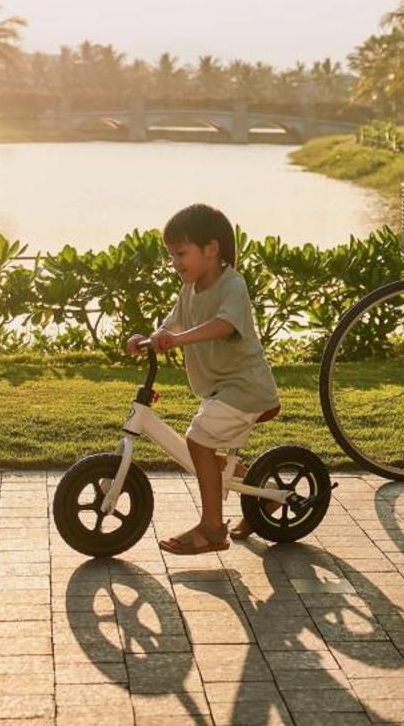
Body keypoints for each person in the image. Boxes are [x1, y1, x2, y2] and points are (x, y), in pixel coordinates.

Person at [126, 202, 281, 554]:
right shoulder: (190, 288)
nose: (175, 263)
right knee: (208, 449)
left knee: (198, 441)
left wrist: (177, 340)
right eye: (171, 255)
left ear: (211, 249)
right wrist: (147, 339)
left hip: (246, 389)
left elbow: (224, 324)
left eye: (181, 253)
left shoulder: (232, 285)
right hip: (223, 390)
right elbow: (171, 325)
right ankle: (268, 495)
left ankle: (212, 528)